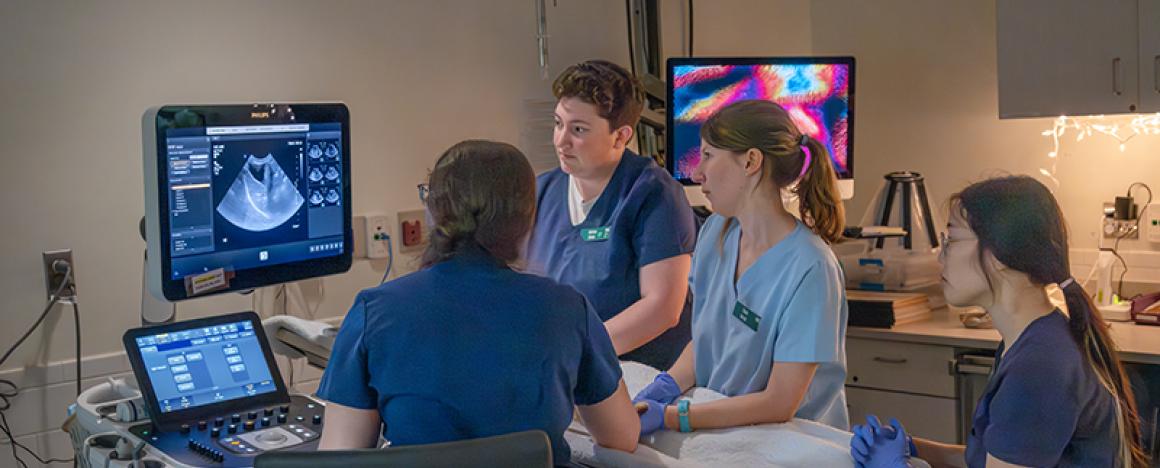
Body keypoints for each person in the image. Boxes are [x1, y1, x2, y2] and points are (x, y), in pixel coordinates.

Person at [315, 140, 639, 466]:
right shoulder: (568, 308)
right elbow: (621, 437)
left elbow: (341, 457)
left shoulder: (374, 312)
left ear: (433, 211)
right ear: (527, 219)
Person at [850, 176, 1148, 467]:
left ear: (1000, 255)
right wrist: (914, 448)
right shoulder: (1032, 339)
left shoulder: (1037, 368)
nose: (940, 256)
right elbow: (990, 457)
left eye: (951, 240)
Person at [634, 99, 850, 435]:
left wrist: (674, 417)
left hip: (792, 444)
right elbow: (706, 340)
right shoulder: (715, 233)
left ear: (750, 161)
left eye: (708, 155)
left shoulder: (811, 268)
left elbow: (780, 403)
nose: (696, 173)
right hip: (720, 428)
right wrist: (666, 387)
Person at [527, 60, 698, 370]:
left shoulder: (653, 194)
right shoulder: (542, 192)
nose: (561, 141)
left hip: (638, 375)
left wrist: (581, 351)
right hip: (563, 369)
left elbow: (663, 308)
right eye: (557, 123)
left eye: (578, 129)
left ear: (620, 137)